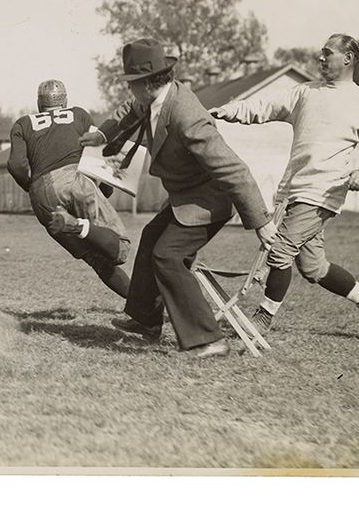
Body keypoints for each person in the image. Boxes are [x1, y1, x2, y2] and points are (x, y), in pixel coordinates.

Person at [80, 39, 277, 359]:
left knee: (167, 256)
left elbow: (233, 169)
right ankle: (146, 319)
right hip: (187, 197)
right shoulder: (152, 98)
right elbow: (129, 111)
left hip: (209, 200)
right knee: (151, 237)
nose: (130, 91)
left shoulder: (186, 115)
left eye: (131, 84)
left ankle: (208, 340)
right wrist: (103, 135)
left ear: (145, 84)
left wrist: (261, 222)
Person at [209, 33, 359, 341]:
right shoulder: (305, 93)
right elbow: (264, 106)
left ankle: (262, 319)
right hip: (292, 192)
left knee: (280, 249)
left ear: (348, 59)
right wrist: (228, 111)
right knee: (314, 268)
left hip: (322, 194)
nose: (321, 58)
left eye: (328, 53)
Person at [7, 79, 131, 299]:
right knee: (120, 249)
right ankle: (80, 225)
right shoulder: (79, 115)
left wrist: (32, 187)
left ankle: (142, 308)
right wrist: (103, 190)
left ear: (39, 103)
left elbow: (16, 165)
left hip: (40, 193)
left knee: (97, 260)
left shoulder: (22, 123)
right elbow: (96, 157)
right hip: (73, 178)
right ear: (64, 100)